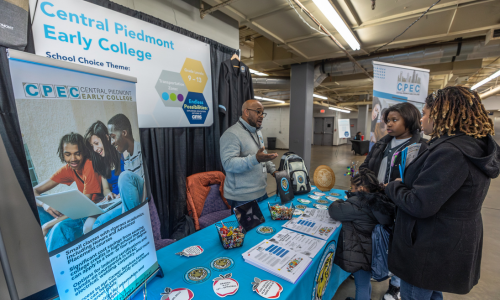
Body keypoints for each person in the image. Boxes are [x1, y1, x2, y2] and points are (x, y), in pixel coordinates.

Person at [385, 86, 500, 299]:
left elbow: (420, 203)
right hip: (445, 241)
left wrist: (395, 186)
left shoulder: (451, 151)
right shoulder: (471, 145)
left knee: (414, 294)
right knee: (431, 292)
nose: (422, 119)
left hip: (430, 245)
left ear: (440, 114)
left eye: (425, 113)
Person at [359, 102, 427, 300]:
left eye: (394, 120)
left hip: (401, 205)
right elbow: (365, 166)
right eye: (387, 120)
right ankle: (376, 270)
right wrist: (368, 182)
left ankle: (396, 285)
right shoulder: (381, 144)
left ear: (410, 121)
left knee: (399, 245)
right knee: (375, 237)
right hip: (377, 201)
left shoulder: (422, 149)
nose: (388, 124)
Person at [328, 169, 395, 300]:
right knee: (365, 282)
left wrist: (340, 201)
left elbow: (334, 210)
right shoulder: (380, 200)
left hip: (362, 254)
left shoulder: (358, 205)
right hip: (375, 252)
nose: (351, 190)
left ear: (362, 189)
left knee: (361, 285)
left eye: (352, 188)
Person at [33, 133, 102, 251]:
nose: (73, 159)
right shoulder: (69, 169)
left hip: (91, 211)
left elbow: (83, 207)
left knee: (59, 227)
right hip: (80, 209)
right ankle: (47, 244)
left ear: (84, 152)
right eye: (68, 154)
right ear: (63, 154)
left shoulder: (89, 165)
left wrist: (48, 225)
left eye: (77, 153)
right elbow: (34, 191)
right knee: (41, 202)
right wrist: (45, 205)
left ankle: (52, 249)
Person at [89, 114, 146, 230]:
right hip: (116, 199)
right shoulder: (125, 159)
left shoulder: (123, 154)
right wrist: (109, 194)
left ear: (106, 138)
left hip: (129, 196)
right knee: (88, 226)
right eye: (92, 146)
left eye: (96, 144)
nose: (95, 149)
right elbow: (106, 188)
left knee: (99, 223)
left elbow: (135, 182)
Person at [220, 99, 278, 212]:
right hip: (243, 197)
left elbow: (262, 156)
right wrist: (255, 159)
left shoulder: (257, 132)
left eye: (262, 113)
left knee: (265, 228)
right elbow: (228, 164)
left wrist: (273, 171)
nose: (261, 116)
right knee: (250, 230)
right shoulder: (231, 134)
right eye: (258, 112)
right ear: (246, 112)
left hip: (261, 192)